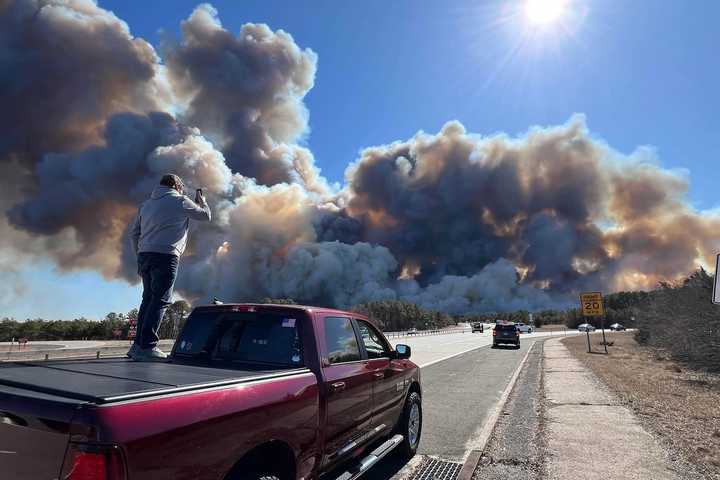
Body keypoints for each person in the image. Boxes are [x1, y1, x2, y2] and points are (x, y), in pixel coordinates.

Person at [128, 174, 211, 361]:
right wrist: (202, 202)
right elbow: (206, 216)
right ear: (176, 185)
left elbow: (134, 234)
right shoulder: (180, 200)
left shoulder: (146, 204)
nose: (182, 189)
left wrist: (139, 257)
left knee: (148, 299)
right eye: (181, 186)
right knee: (160, 301)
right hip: (166, 255)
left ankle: (137, 346)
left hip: (144, 255)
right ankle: (148, 346)